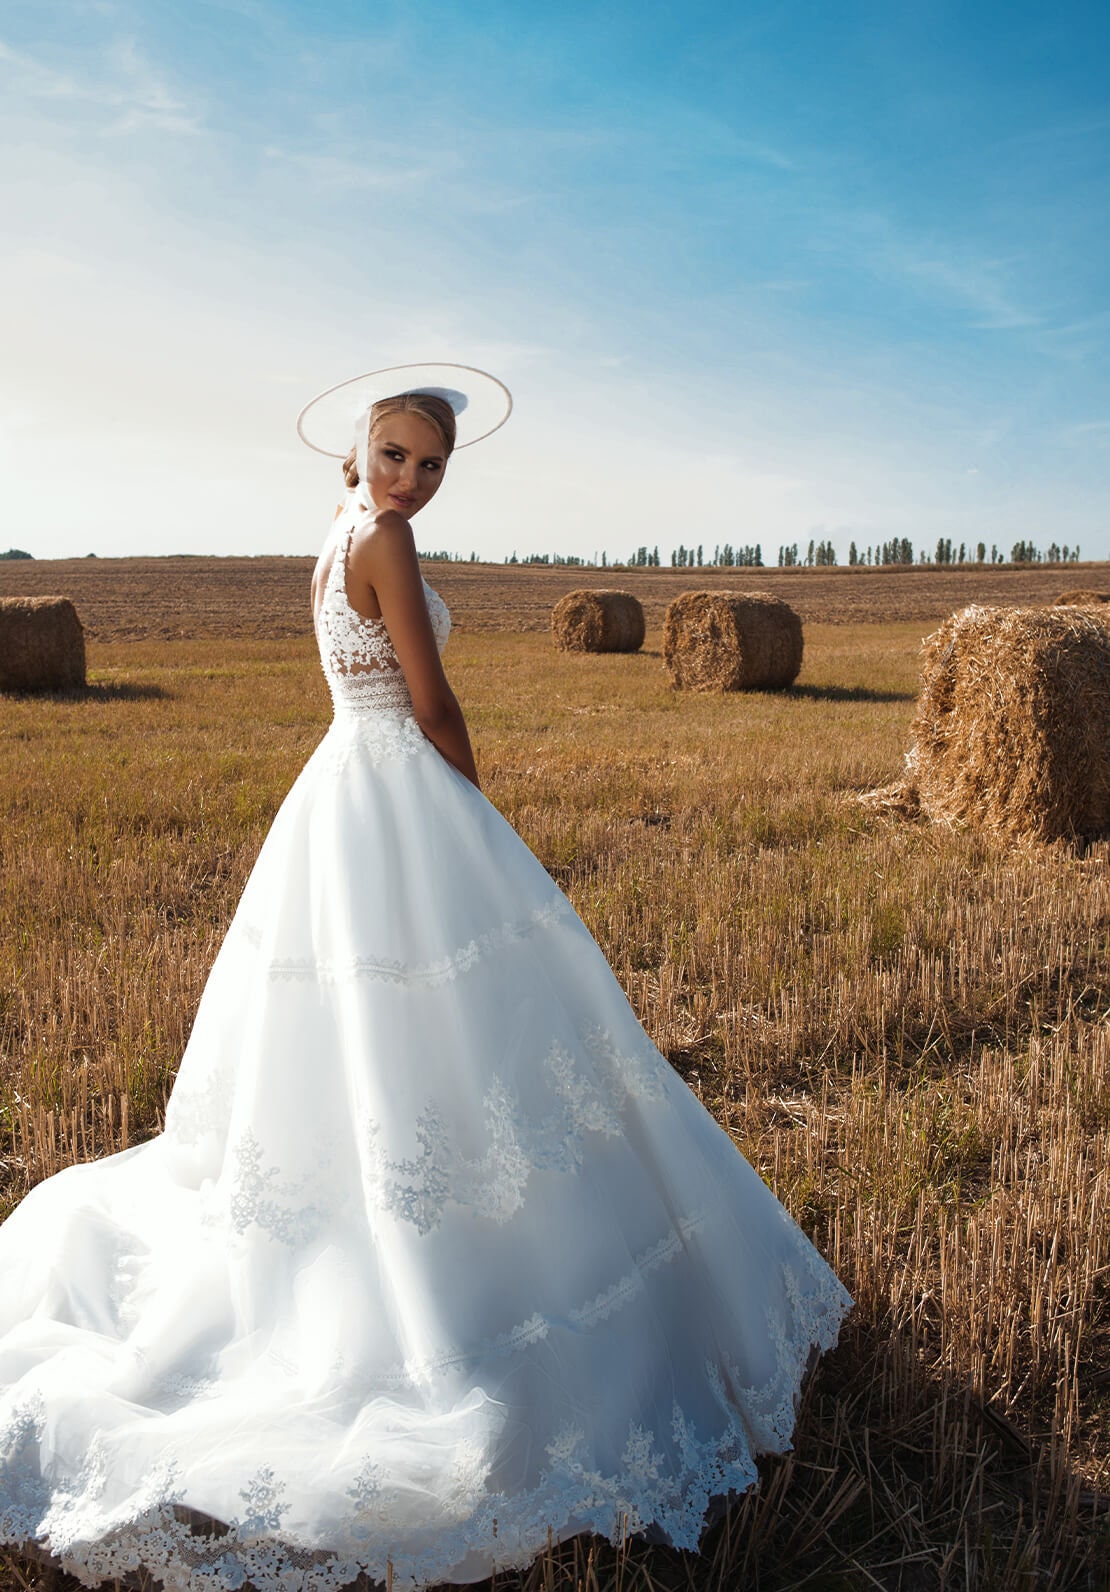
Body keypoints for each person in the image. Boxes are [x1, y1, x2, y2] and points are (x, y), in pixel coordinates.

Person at [0, 363, 851, 1590]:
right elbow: (432, 696)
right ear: (361, 447)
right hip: (398, 786)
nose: (413, 479)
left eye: (433, 463)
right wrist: (477, 807)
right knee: (457, 1027)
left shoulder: (333, 530)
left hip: (337, 792)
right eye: (396, 453)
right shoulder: (385, 539)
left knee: (368, 1040)